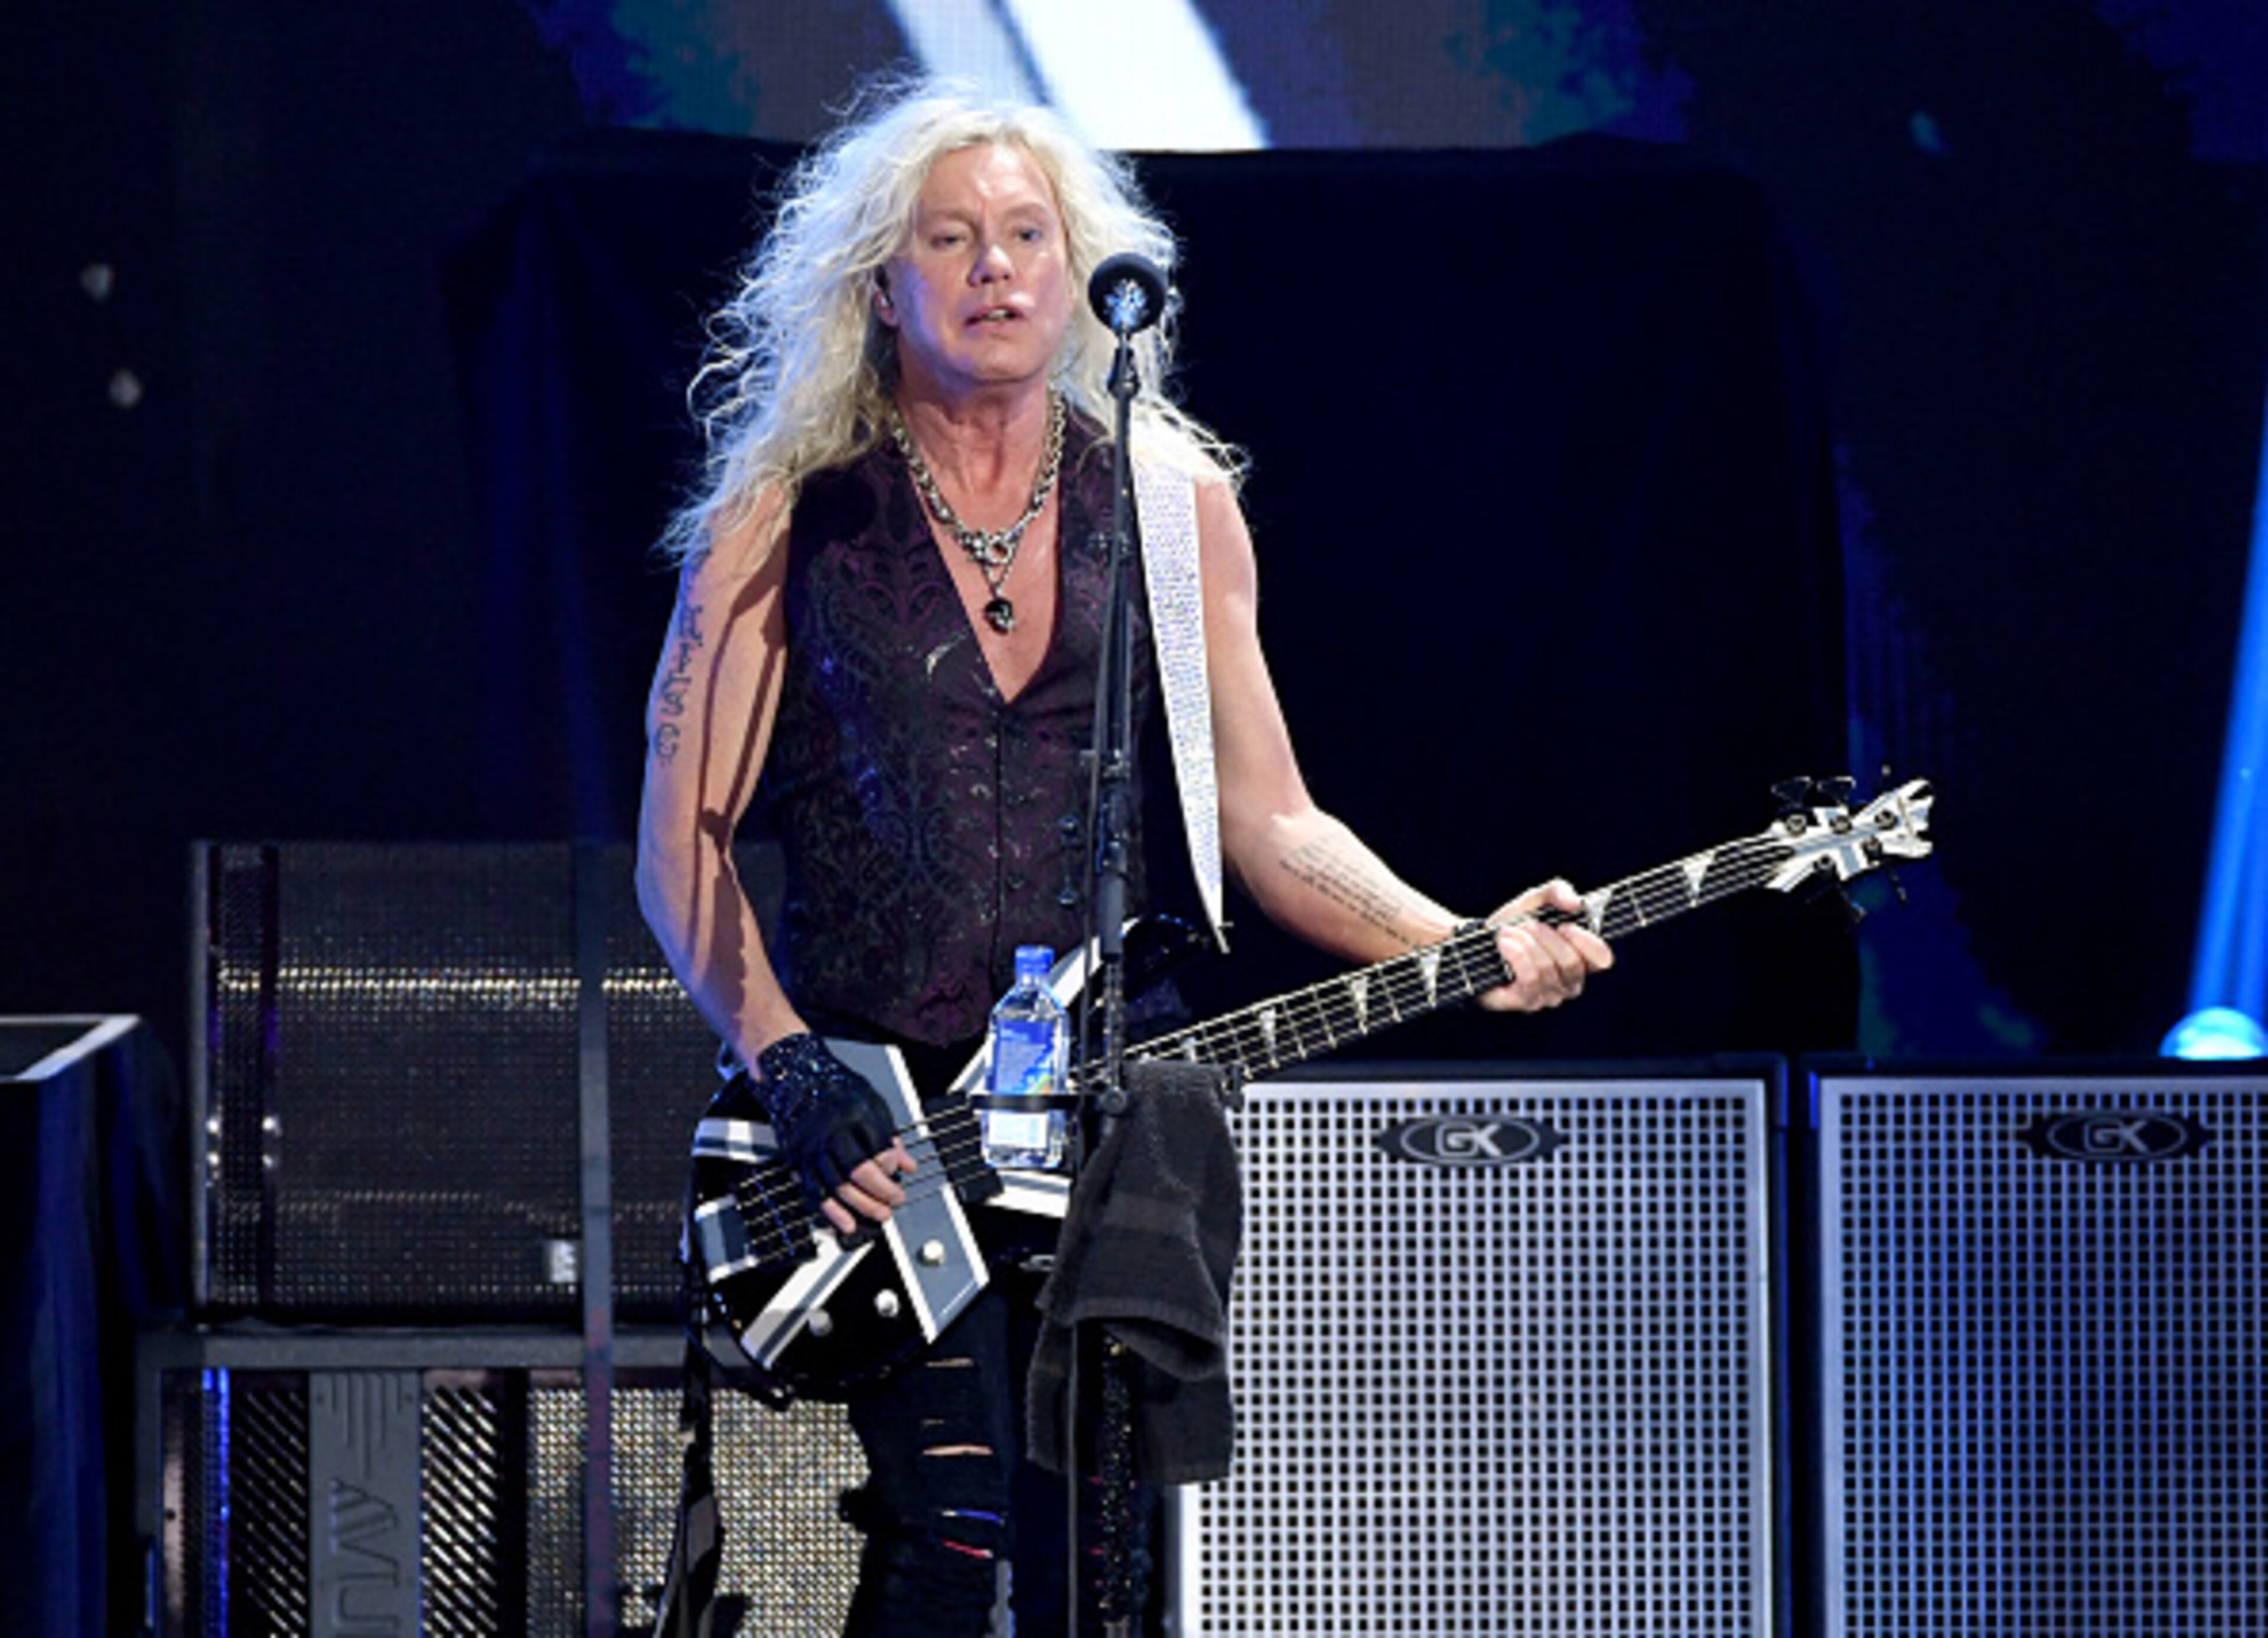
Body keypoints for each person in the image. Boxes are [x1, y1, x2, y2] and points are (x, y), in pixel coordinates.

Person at [636, 75, 1614, 1638]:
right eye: (949, 239)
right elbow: (678, 836)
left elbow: (1268, 818)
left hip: (1107, 1110)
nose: (997, 268)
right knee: (944, 1536)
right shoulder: (787, 516)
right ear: (881, 282)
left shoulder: (1171, 501)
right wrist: (787, 1062)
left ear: (1086, 267)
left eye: (1028, 234)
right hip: (879, 1113)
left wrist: (1461, 941)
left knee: (1112, 1553)